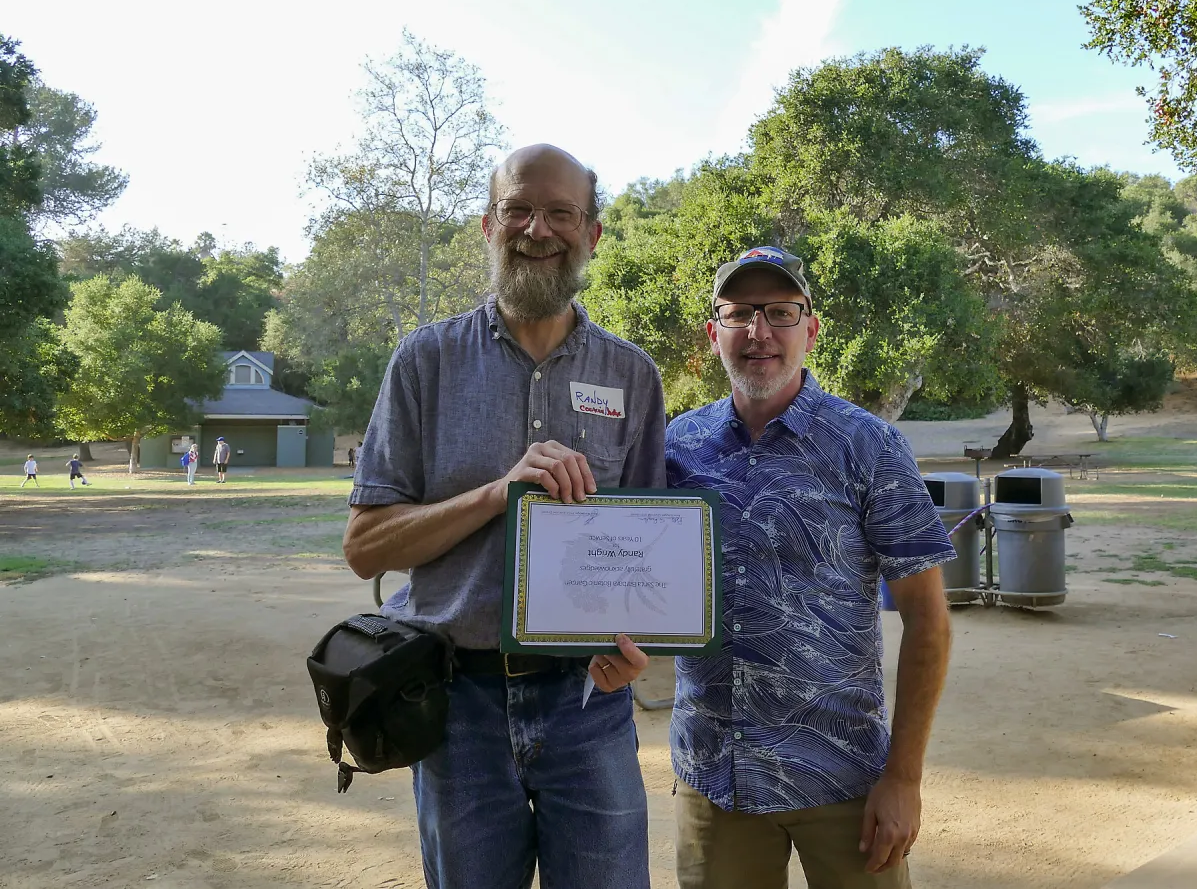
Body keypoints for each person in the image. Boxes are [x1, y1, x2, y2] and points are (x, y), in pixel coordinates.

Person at [344, 143, 668, 889]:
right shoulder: (424, 362)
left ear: (592, 234)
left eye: (561, 212)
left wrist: (637, 641)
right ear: (488, 226)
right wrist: (499, 494)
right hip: (457, 708)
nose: (538, 228)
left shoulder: (631, 375)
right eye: (519, 209)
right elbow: (364, 548)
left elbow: (653, 547)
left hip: (589, 705)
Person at [665, 246, 957, 889]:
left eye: (780, 312)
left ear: (811, 328)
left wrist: (903, 778)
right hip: (717, 778)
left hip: (843, 777)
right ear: (714, 331)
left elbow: (928, 620)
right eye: (739, 313)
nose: (759, 332)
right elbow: (639, 585)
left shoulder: (870, 446)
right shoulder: (674, 448)